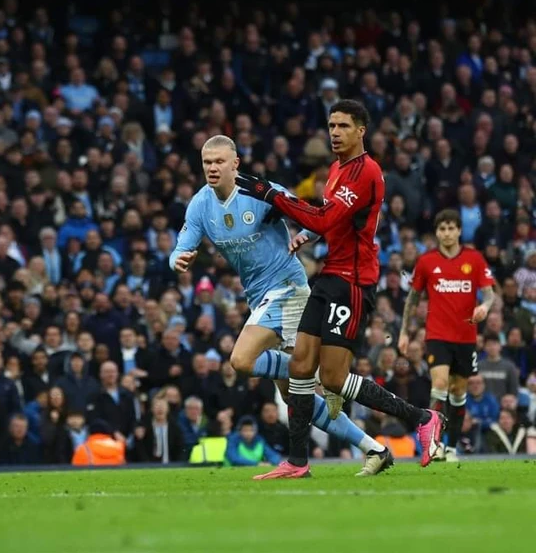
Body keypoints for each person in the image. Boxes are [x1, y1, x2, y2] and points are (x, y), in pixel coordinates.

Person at [234, 100, 443, 479]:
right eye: (331, 125)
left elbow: (330, 215)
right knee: (299, 364)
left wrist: (274, 196)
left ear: (361, 131)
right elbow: (331, 221)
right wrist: (308, 233)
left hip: (354, 283)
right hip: (330, 276)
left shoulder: (367, 172)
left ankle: (424, 418)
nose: (334, 132)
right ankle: (297, 461)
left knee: (332, 378)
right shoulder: (335, 170)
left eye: (343, 126)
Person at [171, 135, 392, 476]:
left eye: (219, 162)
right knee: (295, 398)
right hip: (258, 296)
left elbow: (320, 218)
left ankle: (319, 376)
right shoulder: (201, 205)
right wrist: (178, 259)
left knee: (241, 359)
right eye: (207, 162)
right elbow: (180, 244)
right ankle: (373, 448)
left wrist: (307, 235)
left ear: (235, 164)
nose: (212, 168)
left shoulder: (261, 191)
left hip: (287, 287)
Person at [398, 209, 496, 461]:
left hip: (465, 336)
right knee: (439, 384)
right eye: (442, 229)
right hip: (437, 334)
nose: (447, 233)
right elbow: (412, 299)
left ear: (459, 231)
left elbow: (489, 292)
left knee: (458, 391)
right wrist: (404, 332)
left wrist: (484, 307)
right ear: (437, 233)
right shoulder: (427, 261)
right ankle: (434, 444)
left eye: (451, 228)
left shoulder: (474, 259)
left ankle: (451, 447)